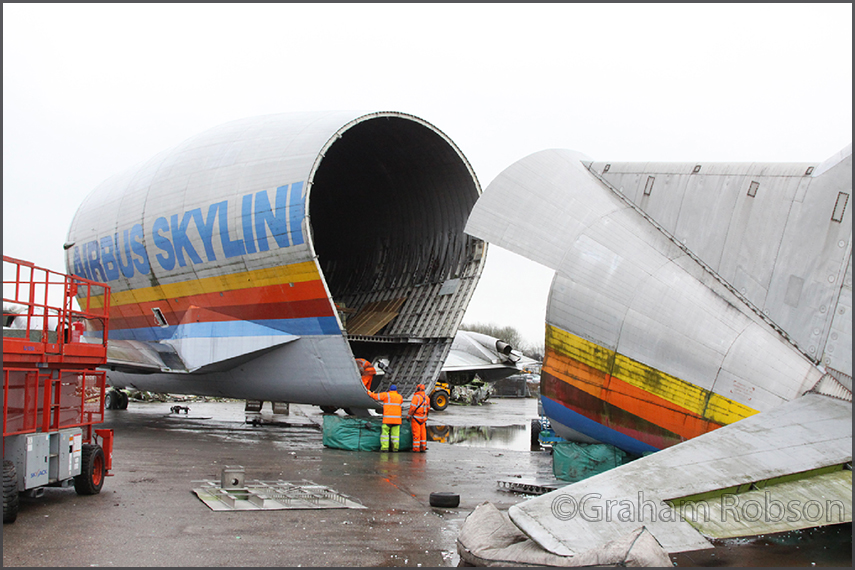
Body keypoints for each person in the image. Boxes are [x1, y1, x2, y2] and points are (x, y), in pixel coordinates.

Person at [367, 384, 403, 452]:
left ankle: (385, 448)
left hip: (388, 420)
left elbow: (375, 396)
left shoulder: (386, 395)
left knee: (385, 434)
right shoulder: (399, 397)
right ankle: (395, 449)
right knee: (395, 436)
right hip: (397, 420)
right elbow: (401, 402)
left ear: (390, 390)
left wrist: (369, 392)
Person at [408, 383, 430, 452]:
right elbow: (428, 408)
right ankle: (423, 447)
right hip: (423, 419)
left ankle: (416, 449)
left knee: (416, 433)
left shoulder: (416, 397)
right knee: (423, 433)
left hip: (416, 418)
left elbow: (412, 408)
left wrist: (409, 416)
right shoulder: (427, 398)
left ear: (418, 389)